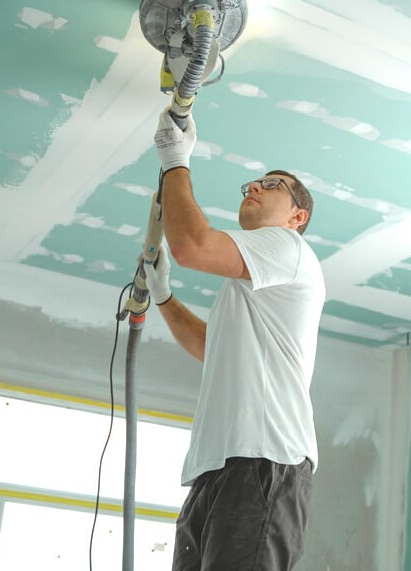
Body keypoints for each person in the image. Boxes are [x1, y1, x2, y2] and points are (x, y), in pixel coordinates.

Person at [143, 108, 326, 571]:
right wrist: (164, 297)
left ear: (297, 216)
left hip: (265, 458)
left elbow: (191, 246)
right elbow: (212, 348)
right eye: (250, 185)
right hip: (217, 466)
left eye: (271, 185)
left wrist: (174, 161)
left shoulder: (289, 249)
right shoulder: (246, 290)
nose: (254, 188)